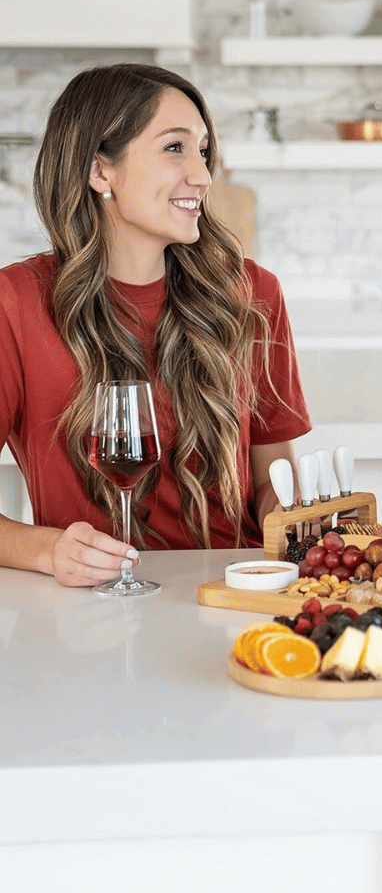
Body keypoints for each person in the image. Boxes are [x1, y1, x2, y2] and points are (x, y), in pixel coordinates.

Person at [0, 63, 311, 587]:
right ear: (101, 171)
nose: (203, 175)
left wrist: (302, 523)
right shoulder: (16, 302)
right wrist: (48, 550)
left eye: (203, 150)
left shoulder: (252, 293)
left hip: (234, 597)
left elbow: (273, 478)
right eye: (175, 148)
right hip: (91, 612)